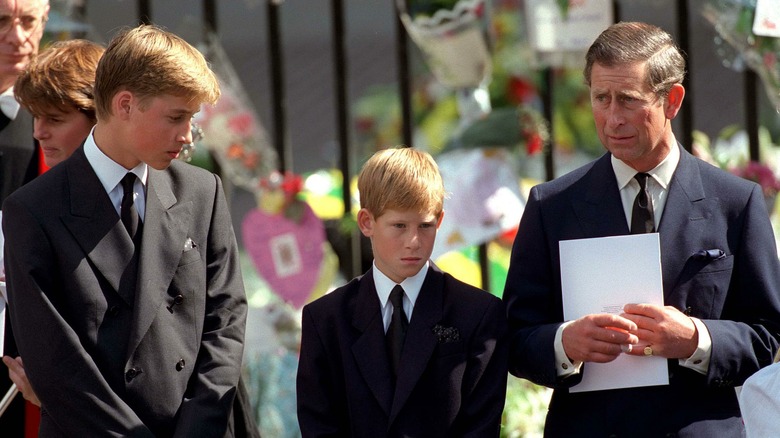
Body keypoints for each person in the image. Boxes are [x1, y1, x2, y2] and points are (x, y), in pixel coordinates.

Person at [502, 21, 780, 436]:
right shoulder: (552, 205)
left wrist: (695, 339)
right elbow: (513, 337)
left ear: (672, 100)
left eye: (628, 100)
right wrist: (564, 344)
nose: (612, 118)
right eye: (601, 98)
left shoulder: (735, 201)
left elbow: (767, 337)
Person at [2, 24, 247, 436]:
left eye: (190, 118)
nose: (187, 136)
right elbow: (57, 362)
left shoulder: (202, 191)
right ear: (125, 104)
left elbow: (226, 319)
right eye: (176, 117)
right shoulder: (33, 209)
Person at [296, 147, 509, 437]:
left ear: (440, 221)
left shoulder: (477, 314)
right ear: (367, 222)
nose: (413, 241)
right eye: (399, 226)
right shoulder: (325, 320)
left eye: (425, 226)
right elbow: (319, 424)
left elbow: (481, 426)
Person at [1, 38, 104, 409]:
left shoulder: (160, 190)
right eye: (35, 117)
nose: (38, 132)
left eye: (55, 119)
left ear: (102, 114)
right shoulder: (35, 204)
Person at [0, 0, 48, 434]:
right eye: (1, 22)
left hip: (26, 331)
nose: (17, 37)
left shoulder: (58, 116)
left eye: (29, 21)